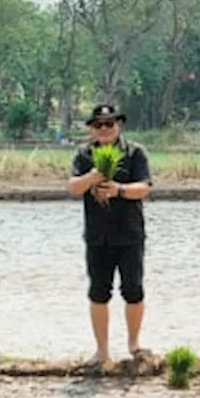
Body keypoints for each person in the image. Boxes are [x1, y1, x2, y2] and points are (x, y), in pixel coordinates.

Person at [68, 104, 153, 371]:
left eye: (109, 123)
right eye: (98, 125)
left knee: (133, 290)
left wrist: (119, 190)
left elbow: (144, 188)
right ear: (92, 129)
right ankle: (102, 351)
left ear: (119, 125)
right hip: (97, 237)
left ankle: (134, 344)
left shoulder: (135, 153)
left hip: (129, 235)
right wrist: (94, 176)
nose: (104, 129)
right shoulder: (84, 155)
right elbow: (72, 187)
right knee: (98, 292)